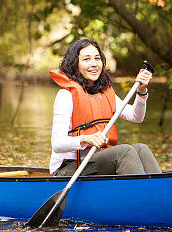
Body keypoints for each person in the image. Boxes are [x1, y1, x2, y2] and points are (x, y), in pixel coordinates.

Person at [49, 38, 161, 176]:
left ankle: (161, 192)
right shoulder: (66, 96)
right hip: (67, 168)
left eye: (97, 58)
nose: (94, 64)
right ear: (74, 64)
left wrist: (142, 91)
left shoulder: (103, 93)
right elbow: (57, 144)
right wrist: (86, 138)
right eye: (86, 59)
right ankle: (140, 195)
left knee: (141, 149)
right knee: (124, 152)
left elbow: (136, 117)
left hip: (92, 163)